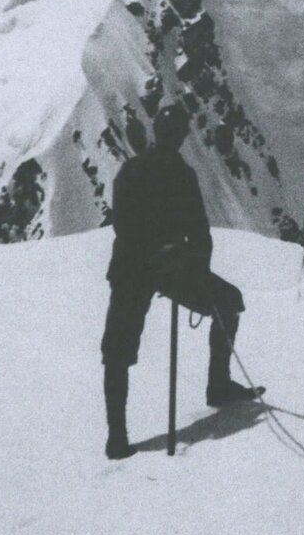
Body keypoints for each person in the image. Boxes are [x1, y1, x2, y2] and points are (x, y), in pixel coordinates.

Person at [100, 102, 260, 460]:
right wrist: (183, 262)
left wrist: (173, 259)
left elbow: (124, 225)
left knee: (117, 351)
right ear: (181, 137)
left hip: (135, 267)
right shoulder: (180, 174)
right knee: (227, 303)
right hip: (162, 267)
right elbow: (199, 235)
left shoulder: (133, 170)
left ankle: (117, 436)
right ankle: (218, 385)